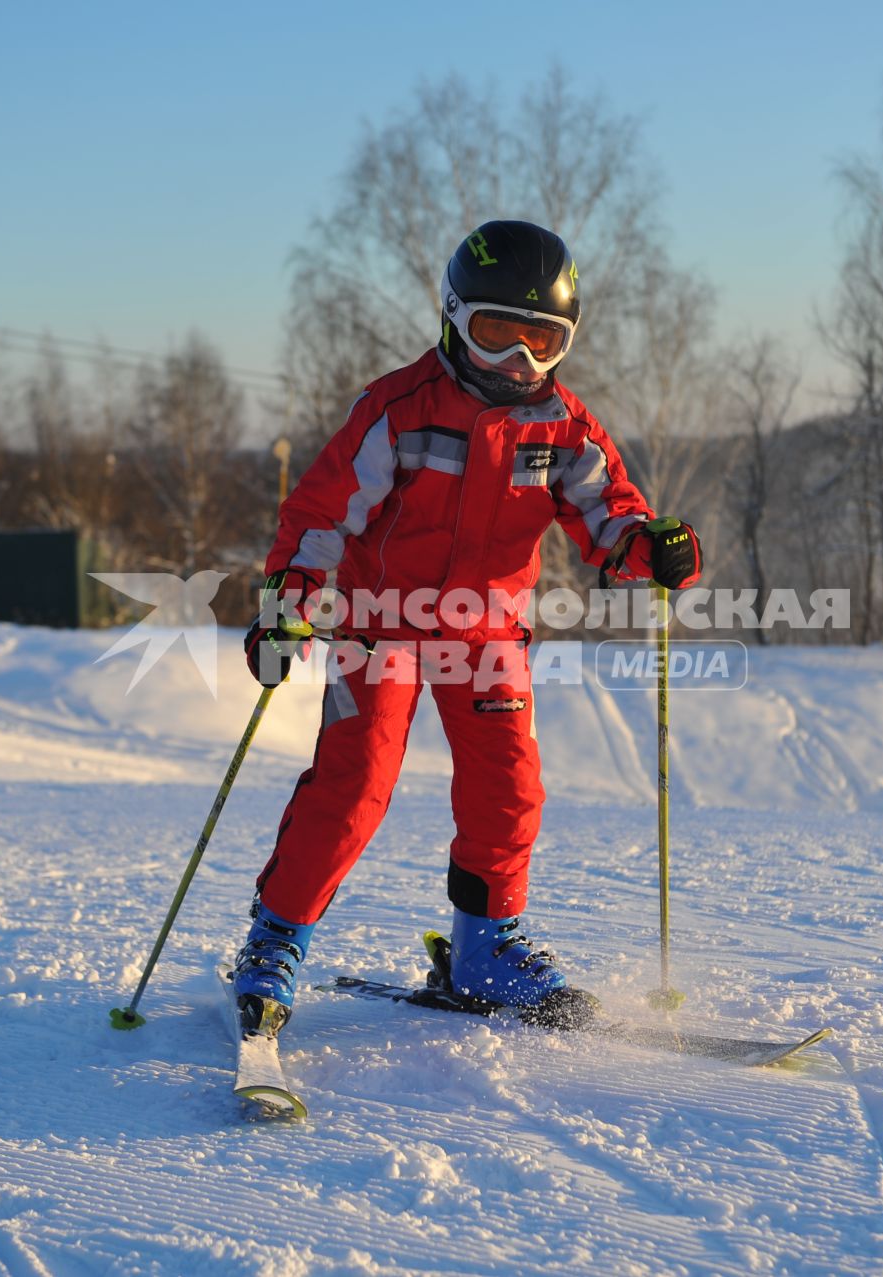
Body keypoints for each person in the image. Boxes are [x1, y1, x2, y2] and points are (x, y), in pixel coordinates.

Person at [235, 219, 702, 1026]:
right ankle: (275, 939)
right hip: (384, 626)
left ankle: (485, 945)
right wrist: (286, 607)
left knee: (509, 787)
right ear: (454, 319)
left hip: (488, 637)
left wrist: (648, 546)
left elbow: (609, 513)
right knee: (355, 788)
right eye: (495, 335)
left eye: (541, 341)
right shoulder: (400, 409)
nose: (518, 362)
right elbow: (321, 514)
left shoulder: (564, 429)